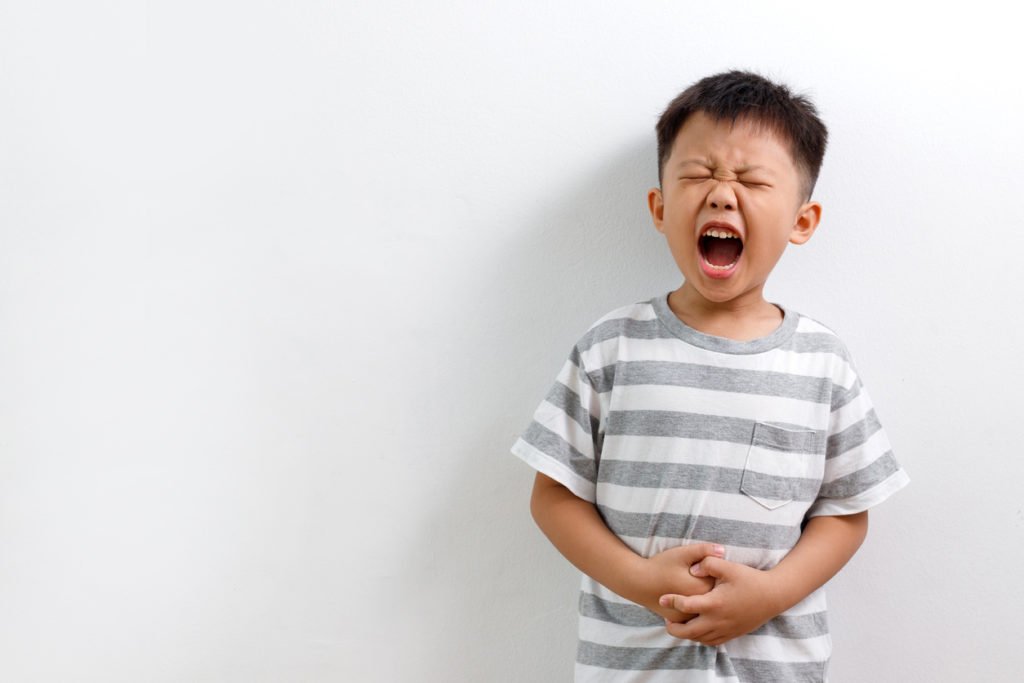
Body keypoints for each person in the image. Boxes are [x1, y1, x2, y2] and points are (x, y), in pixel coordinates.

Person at [510, 70, 910, 682]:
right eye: (699, 175)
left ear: (802, 221)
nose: (723, 195)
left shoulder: (822, 361)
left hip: (774, 667)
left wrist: (770, 596)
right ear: (660, 207)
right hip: (631, 667)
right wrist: (640, 581)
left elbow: (847, 511)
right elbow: (554, 495)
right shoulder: (610, 349)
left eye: (751, 180)